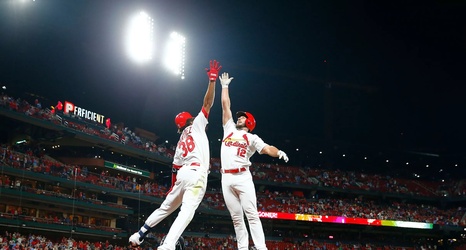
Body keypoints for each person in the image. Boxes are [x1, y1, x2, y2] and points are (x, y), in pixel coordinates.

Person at [129, 60, 222, 250]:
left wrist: (173, 188)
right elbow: (207, 103)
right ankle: (168, 245)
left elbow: (175, 168)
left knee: (165, 208)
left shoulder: (180, 142)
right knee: (187, 212)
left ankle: (138, 235)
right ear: (189, 119)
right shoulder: (196, 125)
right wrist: (212, 80)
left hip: (182, 176)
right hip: (196, 174)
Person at [218, 72, 289, 250]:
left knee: (251, 214)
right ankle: (243, 248)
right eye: (239, 116)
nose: (239, 117)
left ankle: (261, 248)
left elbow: (266, 149)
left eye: (242, 117)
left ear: (249, 122)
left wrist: (278, 151)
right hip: (225, 178)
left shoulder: (252, 137)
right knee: (236, 218)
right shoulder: (229, 129)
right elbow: (225, 106)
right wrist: (225, 87)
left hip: (242, 177)